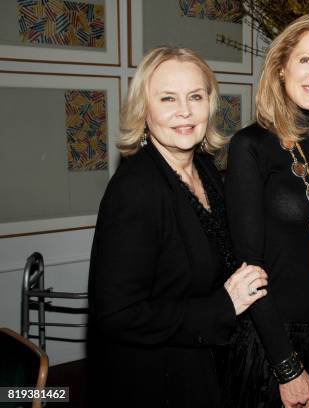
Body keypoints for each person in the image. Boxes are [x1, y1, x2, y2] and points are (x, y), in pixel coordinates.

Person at [87, 46, 267, 408]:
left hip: (204, 368)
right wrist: (221, 307)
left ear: (209, 105)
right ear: (144, 110)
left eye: (195, 97)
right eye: (168, 98)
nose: (184, 111)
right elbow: (117, 313)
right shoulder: (135, 189)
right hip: (154, 381)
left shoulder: (206, 170)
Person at [223, 14, 309, 408]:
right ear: (282, 66)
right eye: (306, 60)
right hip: (272, 342)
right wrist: (287, 368)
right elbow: (247, 268)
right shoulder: (250, 146)